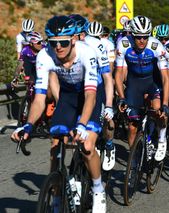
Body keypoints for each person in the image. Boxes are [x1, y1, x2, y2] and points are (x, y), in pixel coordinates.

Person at [11, 15, 106, 212]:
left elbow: (90, 97)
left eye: (63, 42)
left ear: (73, 40)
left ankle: (98, 189)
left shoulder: (86, 53)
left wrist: (81, 125)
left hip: (91, 95)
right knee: (56, 143)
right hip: (69, 97)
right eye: (53, 43)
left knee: (87, 145)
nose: (58, 48)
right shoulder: (44, 56)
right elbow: (39, 99)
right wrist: (28, 125)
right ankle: (56, 193)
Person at [115, 15, 169, 161]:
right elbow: (119, 73)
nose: (142, 41)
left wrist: (165, 103)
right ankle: (133, 159)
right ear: (132, 35)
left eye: (145, 37)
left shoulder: (156, 46)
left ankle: (161, 139)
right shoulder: (123, 44)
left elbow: (165, 77)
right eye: (138, 37)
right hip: (134, 84)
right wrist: (121, 97)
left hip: (152, 82)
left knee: (158, 110)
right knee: (132, 126)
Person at [85, 21, 115, 171]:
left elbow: (109, 71)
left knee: (106, 118)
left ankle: (109, 145)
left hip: (100, 84)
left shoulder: (105, 45)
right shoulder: (79, 43)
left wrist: (109, 104)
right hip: (84, 87)